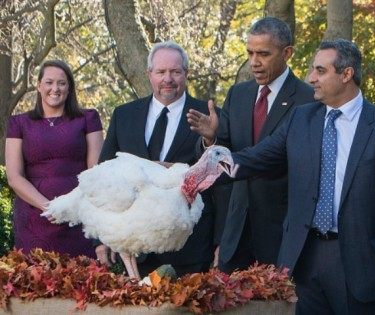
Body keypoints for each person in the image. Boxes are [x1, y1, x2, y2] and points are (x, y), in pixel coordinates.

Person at [198, 39, 375, 314]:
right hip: (304, 256)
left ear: (346, 74)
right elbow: (256, 159)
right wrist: (206, 165)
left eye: (320, 71)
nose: (311, 78)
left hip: (358, 259)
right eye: (313, 70)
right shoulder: (301, 119)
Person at [188, 17, 314, 273]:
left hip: (282, 234)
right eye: (250, 53)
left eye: (263, 54)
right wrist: (211, 139)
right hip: (236, 232)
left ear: (287, 52)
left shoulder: (308, 100)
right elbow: (225, 154)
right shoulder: (239, 94)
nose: (254, 62)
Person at [95, 41, 217, 277]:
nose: (168, 79)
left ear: (186, 74)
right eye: (161, 72)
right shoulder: (124, 115)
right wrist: (102, 238)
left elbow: (220, 183)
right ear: (149, 74)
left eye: (175, 71)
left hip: (189, 247)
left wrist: (221, 241)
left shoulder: (208, 116)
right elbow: (104, 177)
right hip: (135, 246)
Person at [5, 60, 104, 258]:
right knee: (35, 282)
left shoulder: (88, 118)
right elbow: (14, 176)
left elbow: (96, 173)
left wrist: (69, 206)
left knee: (84, 283)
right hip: (34, 217)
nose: (55, 89)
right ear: (39, 86)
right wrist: (50, 208)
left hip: (79, 215)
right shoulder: (19, 123)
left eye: (62, 83)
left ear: (69, 88)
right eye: (49, 82)